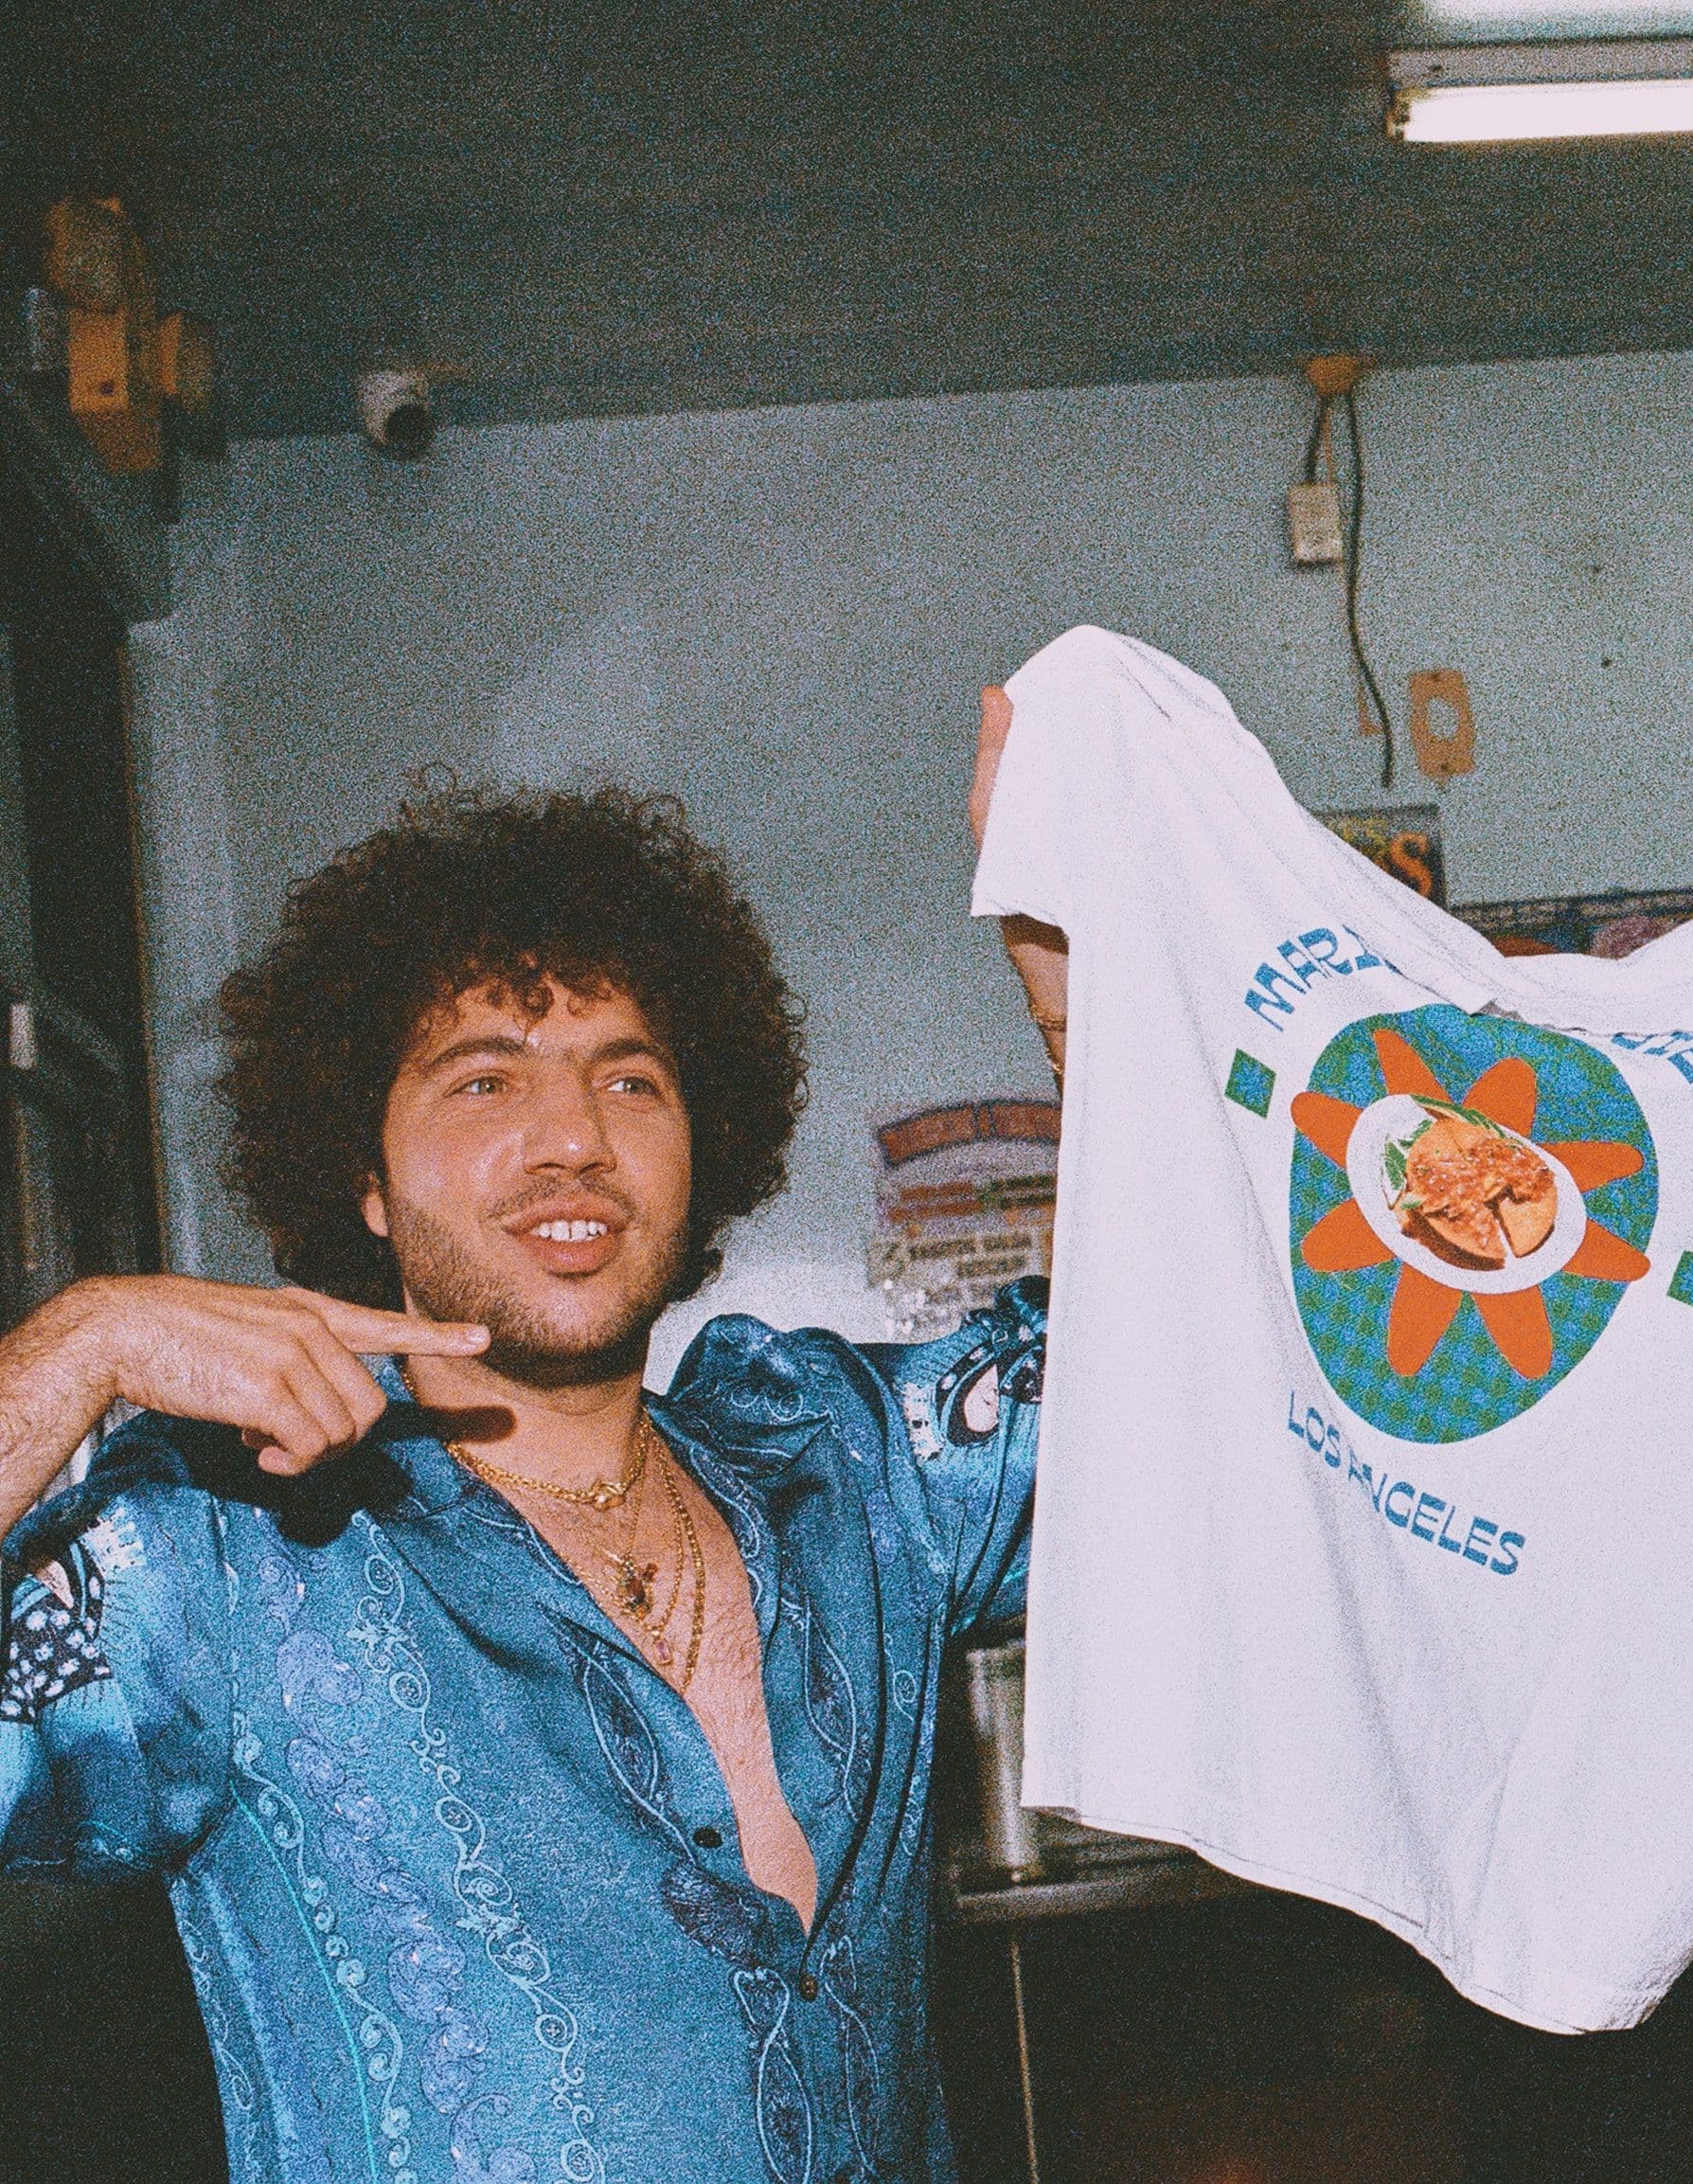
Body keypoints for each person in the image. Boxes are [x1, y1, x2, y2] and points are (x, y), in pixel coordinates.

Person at [0, 780, 1060, 2181]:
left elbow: (1213, 1379)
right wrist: (74, 1350)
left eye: (631, 1077)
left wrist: (1091, 1025)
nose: (575, 1138)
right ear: (365, 1177)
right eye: (486, 1079)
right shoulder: (228, 1553)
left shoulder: (852, 1467)